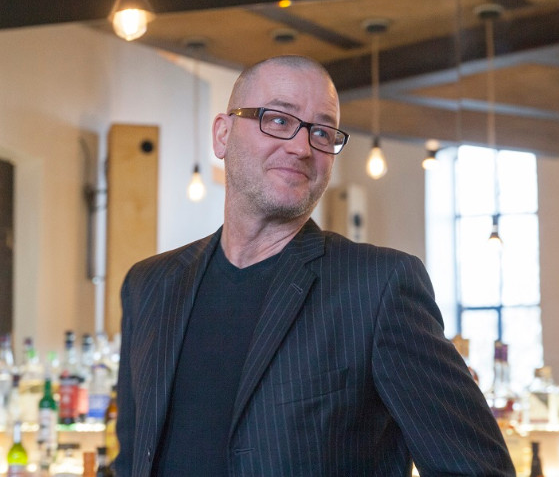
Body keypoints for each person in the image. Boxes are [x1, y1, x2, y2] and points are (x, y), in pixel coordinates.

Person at [112, 55, 515, 476]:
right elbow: (131, 459)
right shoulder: (149, 285)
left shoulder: (378, 288)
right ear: (223, 134)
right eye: (279, 120)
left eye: (322, 132)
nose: (302, 148)